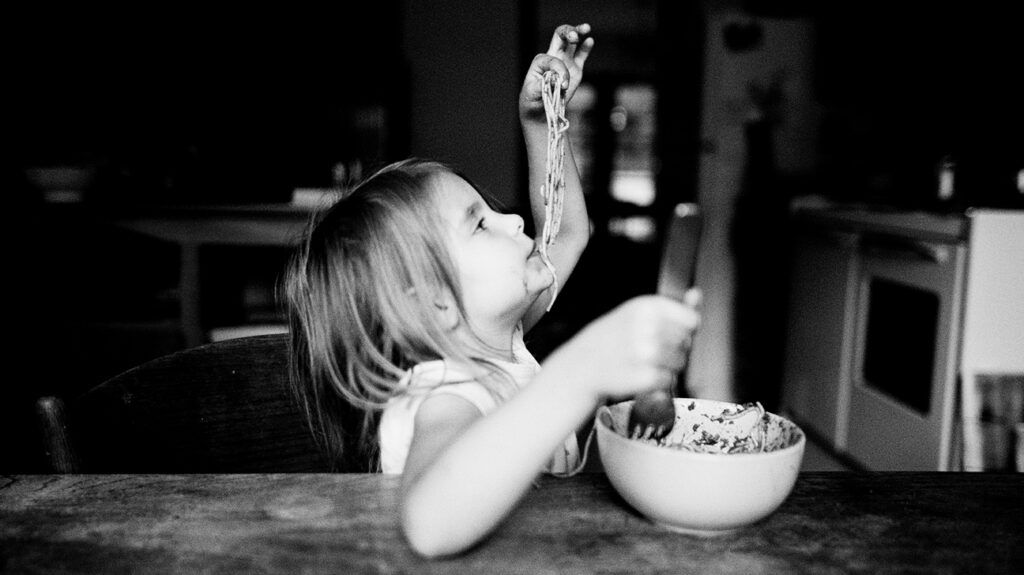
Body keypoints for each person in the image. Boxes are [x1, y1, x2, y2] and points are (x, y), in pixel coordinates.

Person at [284, 23, 701, 558]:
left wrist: (542, 122)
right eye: (479, 224)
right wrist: (582, 370)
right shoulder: (447, 395)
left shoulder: (496, 342)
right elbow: (429, 525)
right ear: (432, 300)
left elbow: (568, 232)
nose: (510, 221)